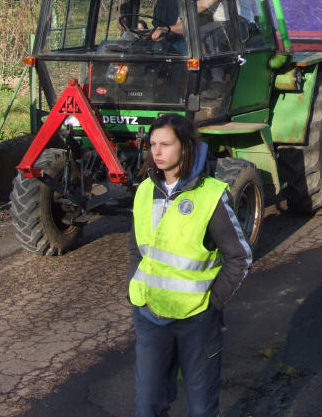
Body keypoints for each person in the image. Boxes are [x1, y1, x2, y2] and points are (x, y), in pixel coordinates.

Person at [128, 114, 251, 417]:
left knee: (201, 408)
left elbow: (240, 256)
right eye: (153, 144)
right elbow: (136, 248)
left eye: (165, 144)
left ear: (185, 148)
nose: (156, 151)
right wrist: (136, 287)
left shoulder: (210, 196)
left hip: (196, 321)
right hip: (150, 315)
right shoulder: (144, 190)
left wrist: (213, 303)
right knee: (148, 406)